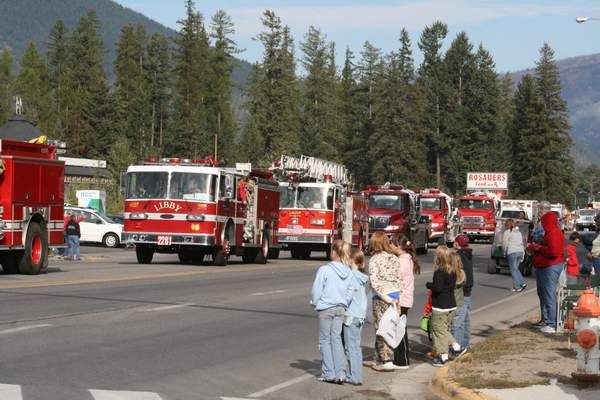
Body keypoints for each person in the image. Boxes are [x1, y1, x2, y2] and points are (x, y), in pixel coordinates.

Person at [311, 240, 355, 384]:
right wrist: (344, 302)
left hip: (326, 307)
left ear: (334, 252)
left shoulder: (325, 269)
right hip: (341, 307)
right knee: (336, 339)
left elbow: (316, 290)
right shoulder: (348, 271)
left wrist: (316, 302)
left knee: (325, 340)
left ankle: (328, 373)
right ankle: (341, 373)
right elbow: (350, 292)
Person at [368, 232, 404, 372]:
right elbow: (400, 279)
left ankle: (386, 360)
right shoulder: (394, 258)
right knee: (391, 327)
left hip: (382, 298)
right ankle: (379, 358)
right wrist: (397, 296)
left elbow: (375, 282)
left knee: (381, 329)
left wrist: (385, 297)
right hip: (395, 297)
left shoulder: (375, 260)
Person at [527, 201, 565, 333]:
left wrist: (538, 247)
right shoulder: (551, 231)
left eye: (541, 213)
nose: (540, 220)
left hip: (550, 266)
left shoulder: (553, 232)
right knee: (544, 293)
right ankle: (547, 320)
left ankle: (552, 323)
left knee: (549, 294)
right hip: (544, 265)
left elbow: (554, 251)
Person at [426, 245, 466, 367]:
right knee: (443, 330)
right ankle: (456, 346)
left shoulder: (439, 272)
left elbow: (438, 288)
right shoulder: (452, 271)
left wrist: (429, 285)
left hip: (440, 306)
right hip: (451, 305)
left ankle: (443, 357)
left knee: (438, 332)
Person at [390, 236, 421, 369]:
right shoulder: (406, 259)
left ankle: (402, 360)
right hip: (404, 299)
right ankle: (401, 358)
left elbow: (397, 281)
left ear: (398, 246)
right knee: (400, 329)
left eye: (391, 244)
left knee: (400, 330)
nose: (390, 246)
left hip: (401, 300)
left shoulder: (402, 262)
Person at [343, 248, 369, 386]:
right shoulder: (360, 276)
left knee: (350, 347)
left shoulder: (352, 276)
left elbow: (348, 296)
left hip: (351, 315)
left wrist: (341, 306)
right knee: (356, 346)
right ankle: (356, 374)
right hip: (359, 315)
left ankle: (354, 376)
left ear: (351, 260)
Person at [451, 234, 473, 349]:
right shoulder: (468, 254)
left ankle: (457, 347)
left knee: (457, 321)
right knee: (465, 319)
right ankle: (465, 344)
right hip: (468, 291)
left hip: (461, 292)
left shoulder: (458, 256)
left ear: (457, 243)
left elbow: (457, 275)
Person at [503, 219, 527, 292]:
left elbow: (505, 244)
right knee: (515, 269)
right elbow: (521, 243)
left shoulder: (507, 232)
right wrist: (523, 253)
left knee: (513, 270)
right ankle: (521, 283)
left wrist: (504, 252)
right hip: (520, 251)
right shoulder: (518, 232)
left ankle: (518, 286)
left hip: (512, 252)